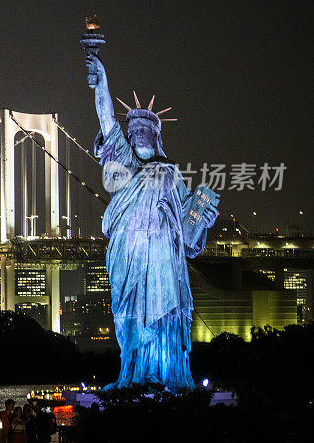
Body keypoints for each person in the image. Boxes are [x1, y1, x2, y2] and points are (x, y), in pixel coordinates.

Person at [87, 53, 218, 390]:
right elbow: (105, 118)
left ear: (156, 136)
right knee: (130, 315)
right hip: (128, 254)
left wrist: (202, 214)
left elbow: (189, 235)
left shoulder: (171, 173)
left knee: (164, 314)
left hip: (162, 256)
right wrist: (101, 80)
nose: (139, 134)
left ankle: (166, 376)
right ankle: (130, 376)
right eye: (134, 130)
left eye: (145, 129)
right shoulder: (127, 166)